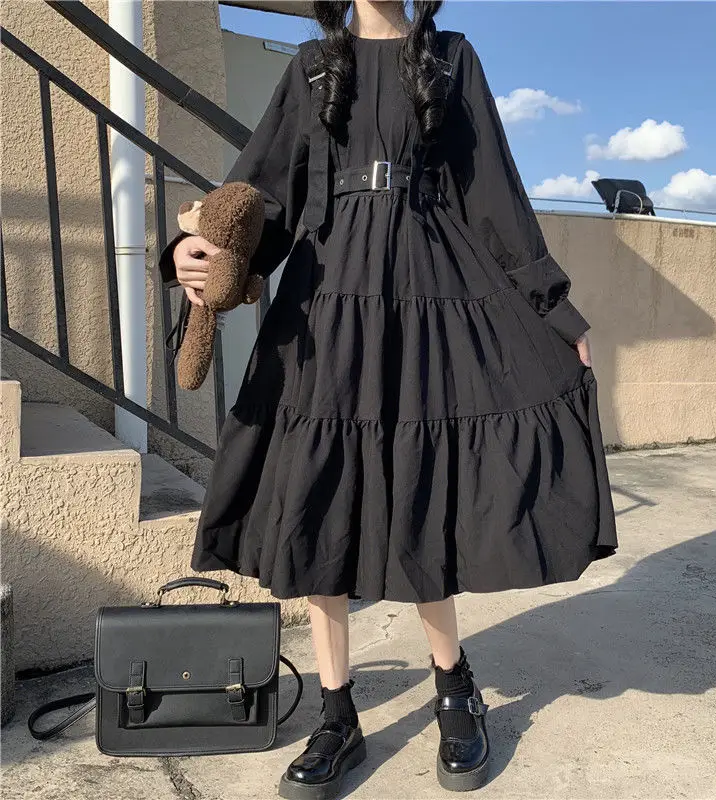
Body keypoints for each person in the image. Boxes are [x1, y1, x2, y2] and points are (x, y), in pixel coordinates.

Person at [159, 1, 618, 797]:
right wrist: (194, 252)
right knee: (319, 496)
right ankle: (336, 713)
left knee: (420, 491)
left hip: (429, 295)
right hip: (326, 301)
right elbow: (264, 193)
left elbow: (495, 197)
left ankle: (454, 686)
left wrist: (554, 310)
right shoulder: (312, 67)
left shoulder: (453, 57)